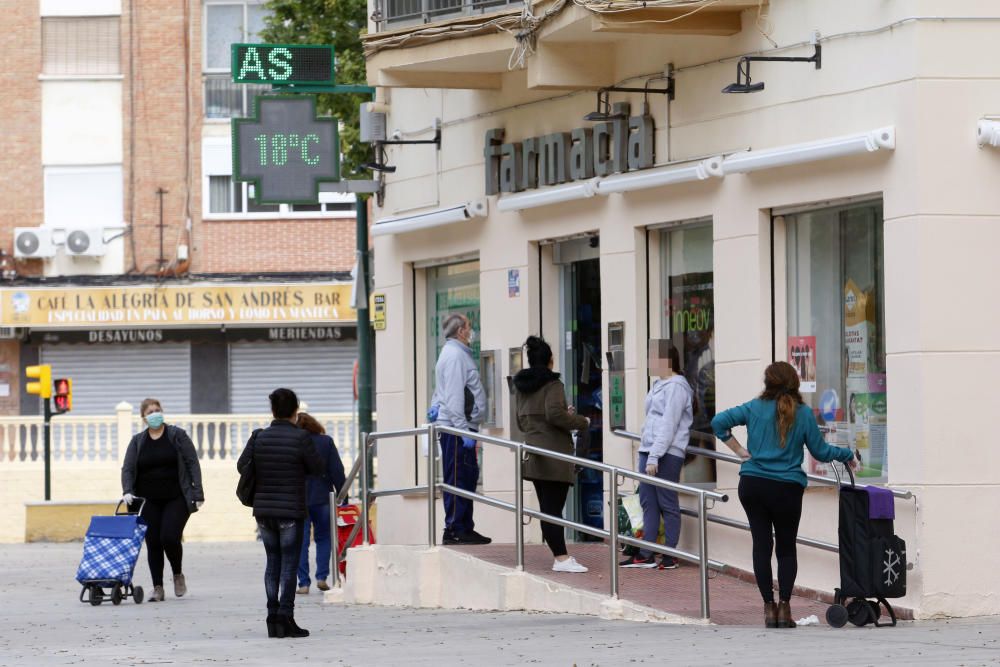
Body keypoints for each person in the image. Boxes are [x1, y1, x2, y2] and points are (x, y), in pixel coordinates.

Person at [711, 362, 858, 629]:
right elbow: (822, 452)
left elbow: (718, 422)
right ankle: (785, 608)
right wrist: (847, 454)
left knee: (761, 546)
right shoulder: (802, 413)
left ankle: (768, 608)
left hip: (753, 484)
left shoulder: (753, 408)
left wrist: (740, 452)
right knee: (787, 549)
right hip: (787, 488)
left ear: (767, 383)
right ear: (795, 383)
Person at [237, 388, 323, 639]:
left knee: (272, 563)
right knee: (289, 565)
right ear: (295, 410)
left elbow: (242, 466)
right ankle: (287, 618)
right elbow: (316, 468)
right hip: (290, 510)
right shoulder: (301, 438)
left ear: (272, 410)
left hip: (263, 511)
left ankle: (272, 618)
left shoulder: (258, 437)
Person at [513, 336, 591, 573]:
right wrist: (581, 421)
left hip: (534, 454)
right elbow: (555, 415)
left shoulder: (522, 388)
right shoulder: (553, 385)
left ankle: (560, 556)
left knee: (547, 507)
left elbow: (521, 420)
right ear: (550, 360)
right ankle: (561, 558)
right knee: (553, 509)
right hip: (555, 456)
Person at [121, 398, 204, 603]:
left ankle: (177, 574)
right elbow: (128, 468)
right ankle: (157, 587)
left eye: (158, 410)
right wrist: (127, 491)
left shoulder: (177, 435)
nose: (155, 414)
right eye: (150, 411)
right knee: (154, 542)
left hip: (176, 497)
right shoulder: (138, 441)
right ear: (143, 417)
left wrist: (198, 493)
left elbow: (192, 463)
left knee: (169, 537)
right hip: (148, 500)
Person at [620, 340, 693, 570]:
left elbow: (669, 424)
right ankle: (646, 553)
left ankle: (669, 555)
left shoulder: (677, 387)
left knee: (667, 502)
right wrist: (647, 452)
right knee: (647, 502)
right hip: (648, 450)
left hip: (667, 453)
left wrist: (654, 456)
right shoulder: (659, 384)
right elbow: (652, 419)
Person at [427, 313, 490, 545]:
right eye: (470, 327)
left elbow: (442, 392)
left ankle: (464, 527)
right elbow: (454, 399)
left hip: (461, 428)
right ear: (461, 331)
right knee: (458, 479)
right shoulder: (455, 356)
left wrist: (435, 407)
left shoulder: (455, 354)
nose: (472, 331)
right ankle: (454, 529)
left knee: (467, 478)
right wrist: (463, 432)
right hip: (457, 431)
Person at [295, 412, 346, 595]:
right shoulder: (326, 442)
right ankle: (322, 577)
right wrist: (343, 496)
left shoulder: (294, 443)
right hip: (323, 496)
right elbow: (337, 470)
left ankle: (303, 583)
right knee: (324, 538)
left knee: (300, 541)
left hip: (298, 498)